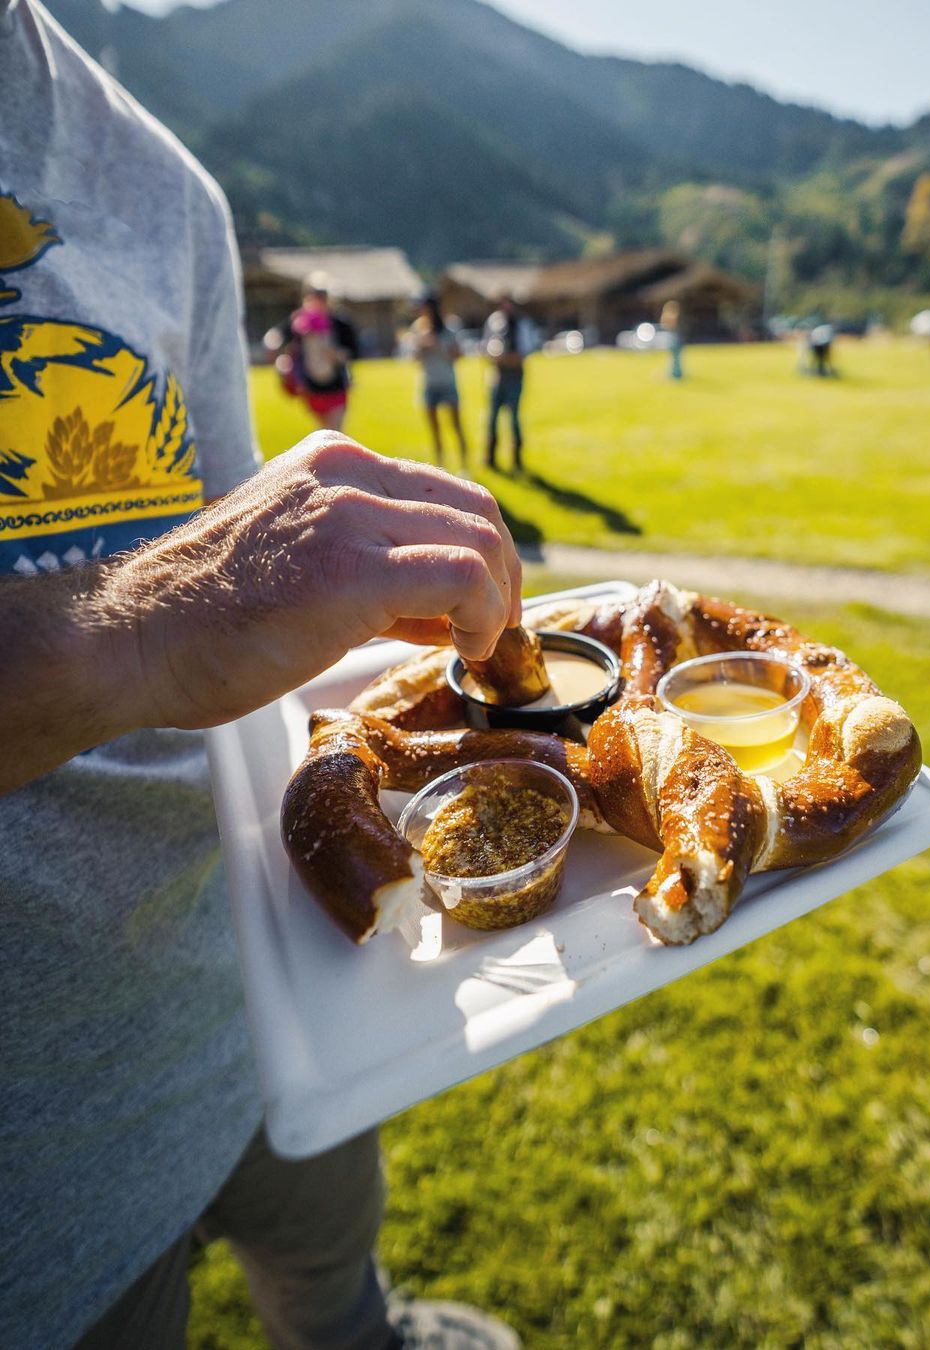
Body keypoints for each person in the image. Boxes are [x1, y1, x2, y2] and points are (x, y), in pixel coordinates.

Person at [1, 5, 521, 1347]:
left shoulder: (161, 184)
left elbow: (242, 602)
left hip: (252, 992)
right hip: (33, 1180)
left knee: (334, 1277)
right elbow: (179, 609)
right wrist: (131, 633)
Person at [265, 272, 361, 431]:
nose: (318, 298)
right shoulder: (299, 321)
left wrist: (338, 355)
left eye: (322, 294)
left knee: (334, 431)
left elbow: (354, 351)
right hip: (311, 387)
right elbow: (277, 335)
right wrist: (273, 348)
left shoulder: (340, 323)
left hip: (336, 386)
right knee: (324, 430)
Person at [411, 293, 468, 470]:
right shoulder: (418, 328)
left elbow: (458, 354)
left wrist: (438, 346)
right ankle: (440, 466)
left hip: (448, 382)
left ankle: (464, 466)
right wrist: (422, 346)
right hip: (429, 384)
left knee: (456, 426)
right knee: (435, 431)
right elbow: (415, 358)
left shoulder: (450, 326)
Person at [482, 294, 538, 473]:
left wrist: (511, 358)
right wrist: (494, 356)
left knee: (513, 417)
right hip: (497, 374)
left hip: (514, 375)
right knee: (492, 417)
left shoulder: (522, 323)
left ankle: (516, 459)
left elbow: (526, 350)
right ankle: (490, 457)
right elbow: (486, 346)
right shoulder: (494, 321)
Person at [660, 299, 685, 380]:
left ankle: (676, 374)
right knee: (674, 357)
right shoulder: (674, 315)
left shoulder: (672, 316)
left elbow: (666, 324)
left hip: (673, 337)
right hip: (673, 336)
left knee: (675, 357)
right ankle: (674, 373)